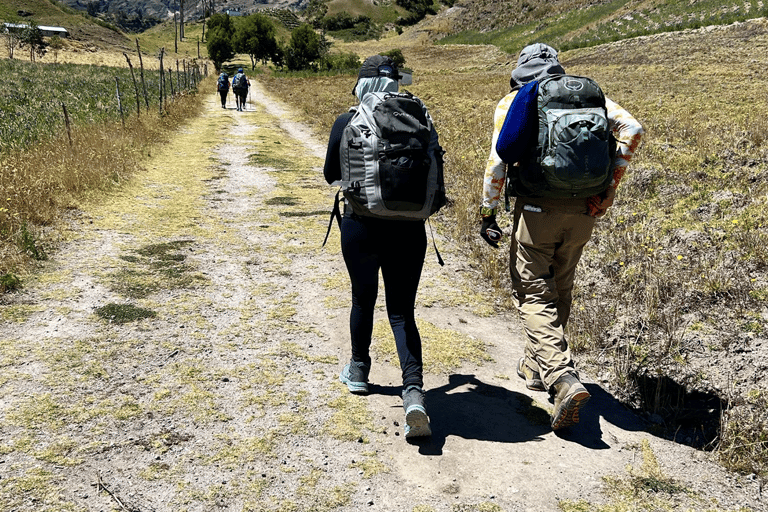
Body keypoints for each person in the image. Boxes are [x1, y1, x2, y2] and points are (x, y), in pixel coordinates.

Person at [479, 43, 643, 430]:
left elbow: (498, 161)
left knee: (533, 290)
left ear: (520, 69)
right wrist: (609, 188)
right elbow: (633, 129)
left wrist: (488, 211)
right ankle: (536, 367)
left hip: (537, 209)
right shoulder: (586, 95)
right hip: (584, 207)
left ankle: (562, 378)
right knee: (561, 286)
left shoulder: (514, 100)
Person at [323, 55, 438, 439]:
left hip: (361, 227)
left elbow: (330, 176)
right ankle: (414, 393)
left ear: (363, 84)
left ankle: (358, 370)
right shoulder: (420, 117)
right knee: (403, 312)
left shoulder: (348, 119)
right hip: (410, 231)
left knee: (362, 299)